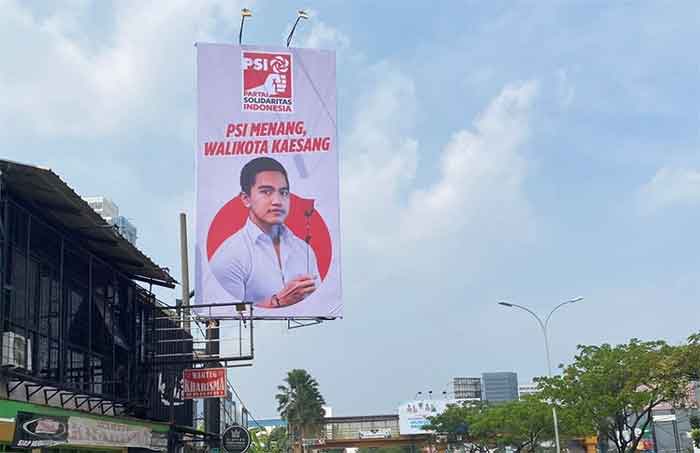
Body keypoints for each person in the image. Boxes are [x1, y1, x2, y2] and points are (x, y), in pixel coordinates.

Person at [210, 157, 319, 308]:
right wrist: (278, 302)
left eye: (283, 192)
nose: (277, 201)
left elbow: (319, 303)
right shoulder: (229, 256)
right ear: (246, 198)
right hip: (250, 332)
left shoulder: (304, 250)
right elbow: (227, 313)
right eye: (266, 192)